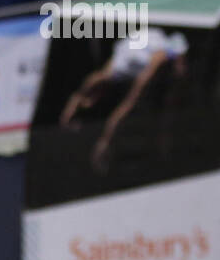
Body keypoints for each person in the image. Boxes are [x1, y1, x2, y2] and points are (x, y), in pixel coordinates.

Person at [58, 27, 189, 174]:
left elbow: (168, 106)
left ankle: (74, 107)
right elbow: (129, 103)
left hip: (140, 48)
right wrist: (105, 140)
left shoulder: (162, 62)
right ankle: (73, 107)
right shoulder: (151, 63)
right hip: (136, 52)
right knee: (106, 81)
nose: (183, 66)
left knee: (102, 83)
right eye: (181, 60)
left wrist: (165, 134)